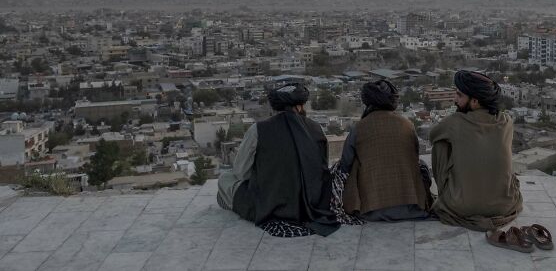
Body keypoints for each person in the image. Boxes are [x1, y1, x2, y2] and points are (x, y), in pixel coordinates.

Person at [217, 84, 339, 237]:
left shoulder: (258, 130)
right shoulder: (316, 128)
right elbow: (321, 169)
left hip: (270, 204)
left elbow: (241, 173)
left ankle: (232, 203)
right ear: (300, 106)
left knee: (225, 178)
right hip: (311, 204)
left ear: (275, 107)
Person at [429, 70, 522, 231]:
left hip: (461, 207)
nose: (455, 99)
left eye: (459, 95)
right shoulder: (506, 121)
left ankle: (447, 194)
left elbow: (432, 136)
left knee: (440, 143)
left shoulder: (454, 122)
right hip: (504, 205)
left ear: (475, 101)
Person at [340, 79, 432, 221]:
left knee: (353, 164)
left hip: (369, 210)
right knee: (421, 164)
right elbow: (414, 155)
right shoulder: (407, 125)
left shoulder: (359, 128)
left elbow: (345, 165)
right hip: (412, 207)